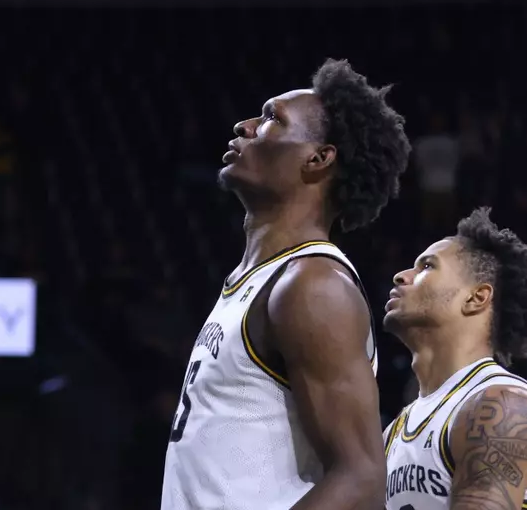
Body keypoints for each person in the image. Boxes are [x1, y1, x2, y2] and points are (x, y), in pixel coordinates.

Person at [161, 59, 411, 510]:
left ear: (318, 158)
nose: (246, 124)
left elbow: (363, 479)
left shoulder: (311, 286)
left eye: (272, 118)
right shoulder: (257, 280)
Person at [382, 206, 527, 510]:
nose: (401, 276)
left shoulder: (500, 404)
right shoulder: (392, 433)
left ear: (476, 298)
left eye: (426, 267)